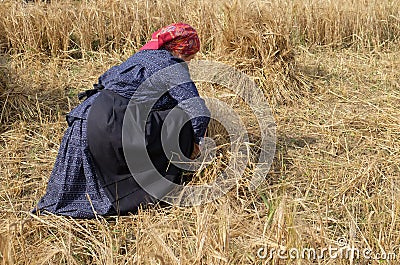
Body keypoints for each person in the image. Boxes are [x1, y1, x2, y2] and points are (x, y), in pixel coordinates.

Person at [33, 23, 210, 218]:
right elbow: (197, 110)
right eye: (190, 56)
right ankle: (152, 183)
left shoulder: (141, 56)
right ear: (182, 49)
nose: (190, 62)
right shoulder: (171, 65)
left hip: (88, 117)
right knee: (182, 118)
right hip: (114, 124)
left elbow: (105, 81)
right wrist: (195, 142)